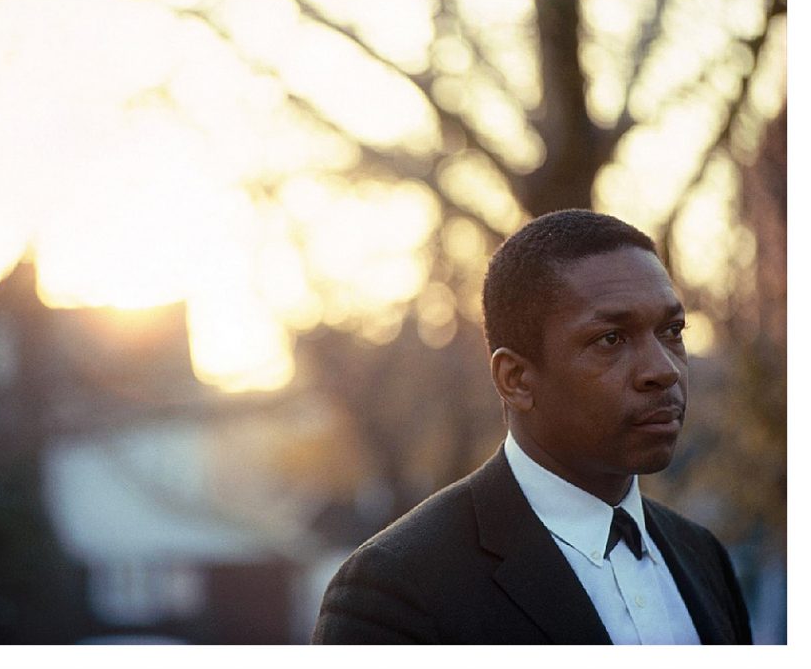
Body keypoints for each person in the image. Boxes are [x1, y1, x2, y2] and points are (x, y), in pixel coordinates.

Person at [311, 209, 752, 644]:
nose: (664, 369)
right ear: (516, 380)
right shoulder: (394, 590)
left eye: (672, 331)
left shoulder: (702, 556)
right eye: (611, 339)